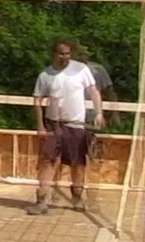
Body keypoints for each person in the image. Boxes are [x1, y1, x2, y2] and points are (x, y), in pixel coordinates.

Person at [28, 39, 104, 215]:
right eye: (61, 53)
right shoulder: (46, 75)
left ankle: (77, 196)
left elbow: (93, 91)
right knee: (47, 161)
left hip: (75, 124)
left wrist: (99, 112)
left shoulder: (80, 70)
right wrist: (40, 125)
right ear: (54, 54)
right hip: (53, 124)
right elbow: (38, 101)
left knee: (77, 162)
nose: (65, 57)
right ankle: (42, 199)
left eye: (68, 53)